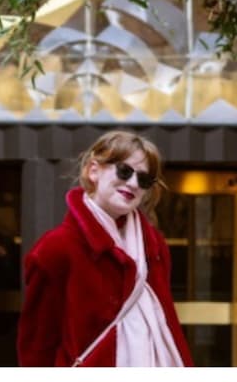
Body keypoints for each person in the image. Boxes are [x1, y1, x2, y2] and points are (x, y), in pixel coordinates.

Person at [17, 130, 193, 366]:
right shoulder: (56, 249)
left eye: (143, 179)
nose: (133, 183)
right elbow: (38, 346)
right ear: (93, 170)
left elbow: (168, 325)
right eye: (124, 171)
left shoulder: (155, 246)